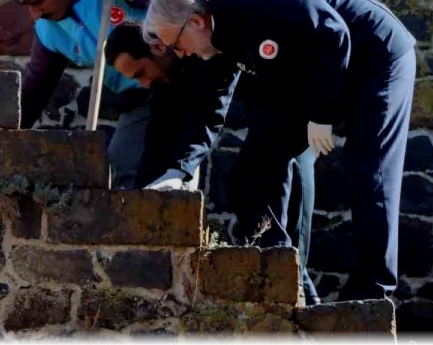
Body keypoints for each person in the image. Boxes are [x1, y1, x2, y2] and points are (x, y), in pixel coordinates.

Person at [141, 0, 415, 301]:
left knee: (367, 170)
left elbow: (334, 33)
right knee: (250, 176)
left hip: (374, 55)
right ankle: (290, 284)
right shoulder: (211, 43)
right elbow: (209, 109)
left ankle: (371, 292)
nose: (181, 54)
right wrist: (178, 171)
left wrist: (321, 115)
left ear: (196, 22)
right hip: (312, 77)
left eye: (177, 45)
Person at [105, 22, 321, 305]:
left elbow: (207, 120)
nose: (144, 83)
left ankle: (305, 306)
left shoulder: (204, 52)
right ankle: (296, 300)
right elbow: (158, 141)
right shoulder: (168, 82)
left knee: (274, 216)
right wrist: (143, 199)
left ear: (158, 48)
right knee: (245, 195)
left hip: (289, 115)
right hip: (266, 125)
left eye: (142, 73)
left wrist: (179, 171)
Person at [3, 0, 195, 190]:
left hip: (177, 77)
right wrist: (5, 139)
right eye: (27, 5)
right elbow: (34, 90)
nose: (34, 15)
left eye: (37, 3)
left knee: (177, 166)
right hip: (137, 97)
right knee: (121, 168)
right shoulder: (48, 33)